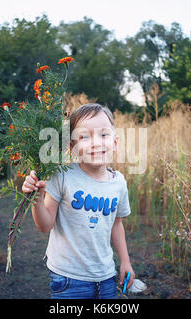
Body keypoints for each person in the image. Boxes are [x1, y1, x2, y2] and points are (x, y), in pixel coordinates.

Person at [22, 103, 135, 299]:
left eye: (103, 135)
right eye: (84, 136)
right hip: (68, 279)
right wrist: (37, 198)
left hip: (106, 276)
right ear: (72, 147)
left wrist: (125, 261)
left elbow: (117, 225)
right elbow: (45, 225)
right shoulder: (63, 176)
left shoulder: (118, 183)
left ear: (115, 143)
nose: (95, 142)